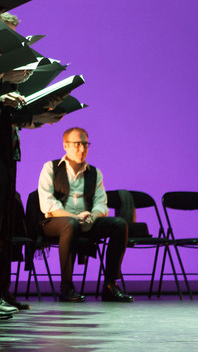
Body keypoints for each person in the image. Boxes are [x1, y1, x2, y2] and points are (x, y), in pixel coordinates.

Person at [37, 127, 133, 302]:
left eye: (85, 144)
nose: (82, 149)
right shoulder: (50, 168)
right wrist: (74, 217)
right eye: (77, 144)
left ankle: (110, 285)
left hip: (86, 220)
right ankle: (66, 287)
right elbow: (47, 203)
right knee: (70, 224)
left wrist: (93, 216)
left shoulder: (95, 173)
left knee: (119, 224)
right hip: (56, 221)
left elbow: (101, 203)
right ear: (65, 145)